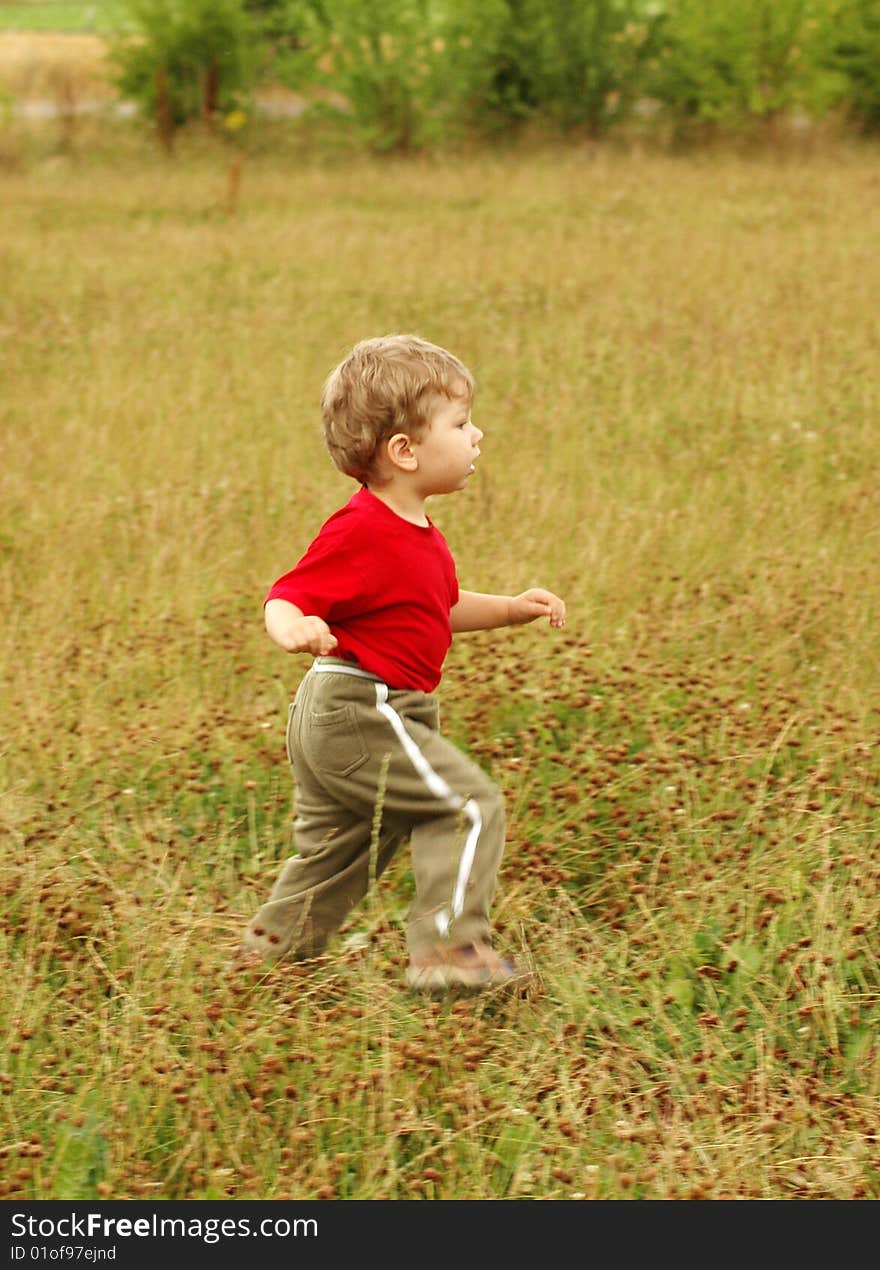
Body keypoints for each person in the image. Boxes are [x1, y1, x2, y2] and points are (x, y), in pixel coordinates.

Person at [242, 334, 565, 992]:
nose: (479, 435)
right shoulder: (360, 529)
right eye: (462, 423)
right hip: (358, 707)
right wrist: (294, 628)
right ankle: (450, 952)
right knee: (468, 804)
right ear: (405, 451)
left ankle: (267, 959)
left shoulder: (416, 533)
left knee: (347, 847)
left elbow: (435, 608)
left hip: (361, 713)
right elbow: (288, 594)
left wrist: (509, 608)